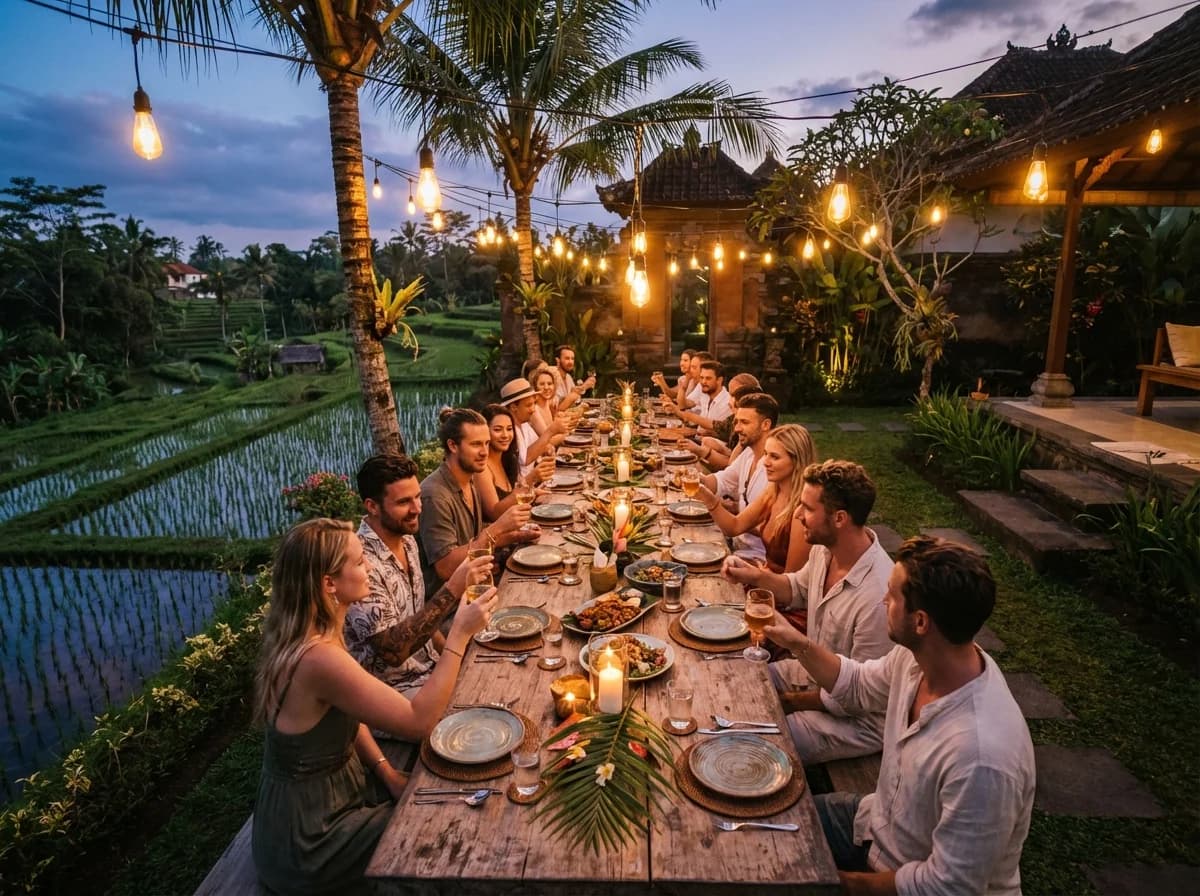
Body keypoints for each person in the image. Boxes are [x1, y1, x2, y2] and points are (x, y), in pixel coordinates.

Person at [761, 536, 1035, 895]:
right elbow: (858, 684)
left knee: (772, 871)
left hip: (899, 878)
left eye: (891, 595)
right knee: (763, 819)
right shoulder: (919, 659)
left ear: (920, 622)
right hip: (874, 824)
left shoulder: (981, 757)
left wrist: (837, 882)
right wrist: (797, 642)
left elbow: (947, 887)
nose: (882, 599)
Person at [251, 518, 499, 895]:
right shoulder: (318, 658)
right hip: (310, 838)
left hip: (319, 808)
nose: (369, 566)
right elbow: (420, 722)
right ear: (328, 584)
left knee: (446, 794)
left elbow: (352, 714)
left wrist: (386, 772)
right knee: (451, 825)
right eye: (358, 561)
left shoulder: (313, 634)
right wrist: (459, 636)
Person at [723, 459, 894, 763]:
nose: (798, 515)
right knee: (739, 676)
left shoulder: (878, 597)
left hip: (856, 718)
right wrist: (753, 575)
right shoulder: (824, 549)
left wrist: (786, 702)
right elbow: (796, 589)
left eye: (807, 508)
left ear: (839, 518)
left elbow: (856, 697)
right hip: (812, 670)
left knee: (760, 736)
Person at [345, 455, 492, 707]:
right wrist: (455, 587)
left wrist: (453, 656)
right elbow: (393, 652)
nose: (417, 509)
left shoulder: (407, 539)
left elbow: (421, 618)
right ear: (372, 506)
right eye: (404, 502)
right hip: (392, 694)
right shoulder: (360, 564)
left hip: (428, 670)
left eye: (417, 497)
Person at [417, 407, 537, 595]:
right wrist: (497, 528)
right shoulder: (434, 495)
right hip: (451, 607)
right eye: (475, 445)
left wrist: (518, 535)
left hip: (477, 585)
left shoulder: (469, 478)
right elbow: (446, 567)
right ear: (453, 446)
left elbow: (473, 540)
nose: (484, 452)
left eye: (487, 443)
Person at [697, 422, 814, 573]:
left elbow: (793, 585)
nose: (765, 462)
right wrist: (709, 500)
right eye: (766, 454)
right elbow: (734, 527)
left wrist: (753, 574)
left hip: (776, 591)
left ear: (797, 461)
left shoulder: (802, 510)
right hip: (764, 574)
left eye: (775, 457)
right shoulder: (773, 492)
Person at [699, 391, 779, 560]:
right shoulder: (748, 454)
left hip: (758, 558)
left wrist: (718, 507)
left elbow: (775, 532)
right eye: (736, 422)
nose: (736, 429)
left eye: (744, 422)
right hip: (735, 546)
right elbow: (722, 481)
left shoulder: (776, 469)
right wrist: (696, 479)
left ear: (765, 425)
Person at [499, 377, 564, 478]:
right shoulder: (508, 430)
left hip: (533, 484)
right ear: (513, 407)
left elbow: (539, 445)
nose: (533, 409)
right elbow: (525, 459)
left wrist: (546, 448)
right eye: (529, 405)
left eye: (534, 404)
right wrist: (550, 431)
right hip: (521, 489)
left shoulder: (524, 424)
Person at [663, 359, 732, 434]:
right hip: (697, 437)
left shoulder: (727, 402)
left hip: (707, 443)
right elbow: (684, 406)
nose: (703, 382)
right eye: (701, 378)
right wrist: (674, 409)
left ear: (719, 380)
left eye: (708, 378)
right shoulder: (706, 395)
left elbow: (717, 432)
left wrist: (690, 421)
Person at [550, 344, 596, 410]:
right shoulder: (552, 376)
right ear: (558, 360)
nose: (570, 362)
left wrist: (584, 387)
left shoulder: (568, 377)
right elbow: (555, 409)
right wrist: (576, 393)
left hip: (569, 416)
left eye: (572, 359)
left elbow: (575, 397)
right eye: (567, 358)